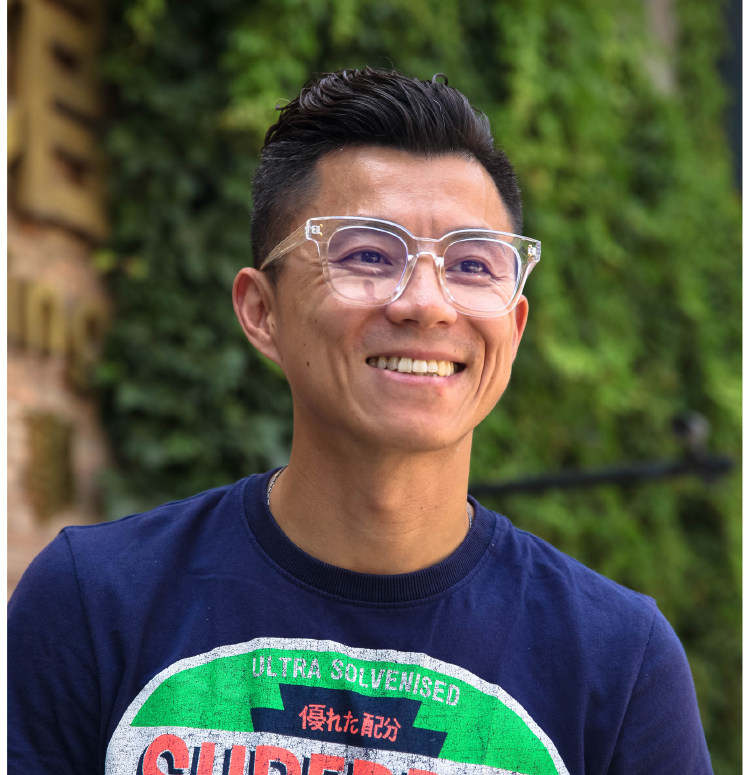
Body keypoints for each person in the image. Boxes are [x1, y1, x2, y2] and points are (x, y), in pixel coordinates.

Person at [8, 68, 712, 775]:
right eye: (368, 255)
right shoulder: (92, 602)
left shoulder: (619, 660)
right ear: (261, 311)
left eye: (473, 265)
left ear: (516, 327)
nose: (427, 303)